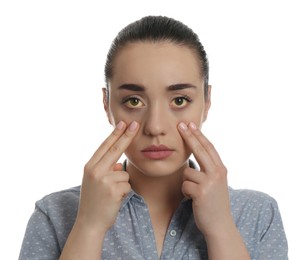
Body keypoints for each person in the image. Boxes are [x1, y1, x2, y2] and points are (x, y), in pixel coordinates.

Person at [19, 16, 288, 260]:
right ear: (106, 104)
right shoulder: (54, 215)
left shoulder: (257, 214)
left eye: (179, 100)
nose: (156, 127)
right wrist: (89, 227)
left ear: (206, 102)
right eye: (134, 101)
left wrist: (221, 229)